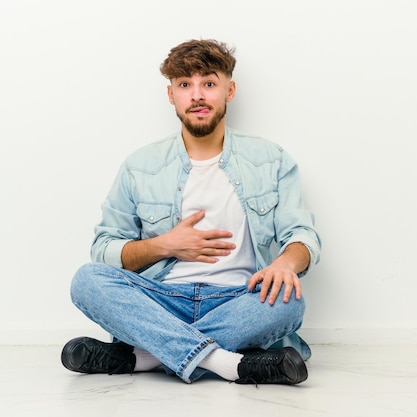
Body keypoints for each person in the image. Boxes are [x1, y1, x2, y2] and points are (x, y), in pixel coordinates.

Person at [60, 39, 321, 385]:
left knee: (290, 303)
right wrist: (164, 245)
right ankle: (232, 364)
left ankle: (145, 358)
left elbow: (302, 235)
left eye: (209, 83)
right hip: (162, 302)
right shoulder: (140, 166)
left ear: (230, 90)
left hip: (237, 300)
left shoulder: (272, 160)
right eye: (185, 85)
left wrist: (287, 263)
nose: (197, 95)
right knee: (86, 281)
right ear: (172, 95)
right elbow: (103, 250)